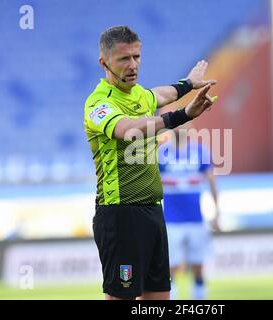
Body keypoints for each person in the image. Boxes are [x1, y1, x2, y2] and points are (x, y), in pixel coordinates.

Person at [84, 25, 217, 300]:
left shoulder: (139, 95)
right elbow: (127, 129)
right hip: (120, 215)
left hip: (154, 213)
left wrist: (187, 85)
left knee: (159, 298)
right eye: (124, 59)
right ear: (104, 62)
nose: (133, 65)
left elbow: (161, 94)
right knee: (121, 297)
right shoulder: (98, 103)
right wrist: (181, 116)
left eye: (137, 57)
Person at [158, 128, 220, 300]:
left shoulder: (200, 151)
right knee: (170, 269)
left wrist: (217, 212)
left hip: (196, 220)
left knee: (198, 267)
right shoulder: (161, 153)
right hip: (170, 221)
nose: (180, 128)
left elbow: (212, 182)